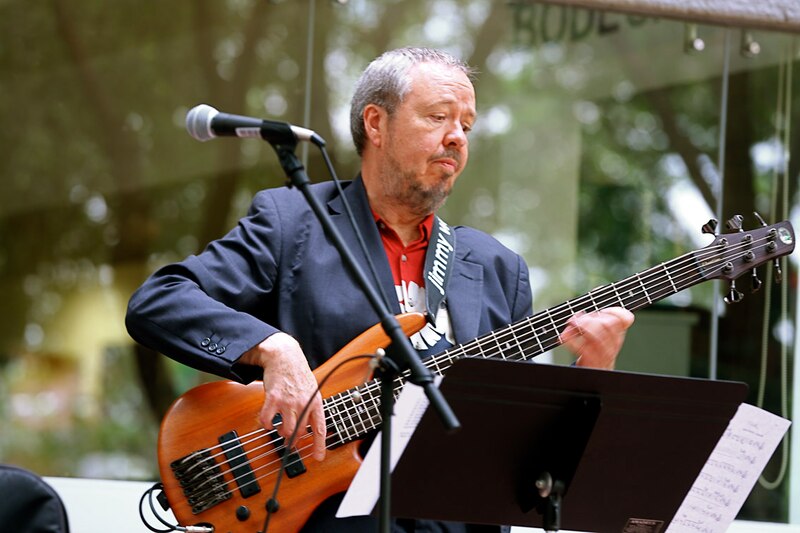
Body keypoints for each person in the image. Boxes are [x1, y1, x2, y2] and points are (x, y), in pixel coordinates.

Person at [126, 47, 634, 532]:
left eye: (466, 125)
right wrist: (273, 349)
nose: (457, 136)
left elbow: (522, 456)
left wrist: (592, 372)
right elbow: (160, 301)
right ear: (376, 124)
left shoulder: (498, 268)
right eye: (438, 117)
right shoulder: (291, 222)